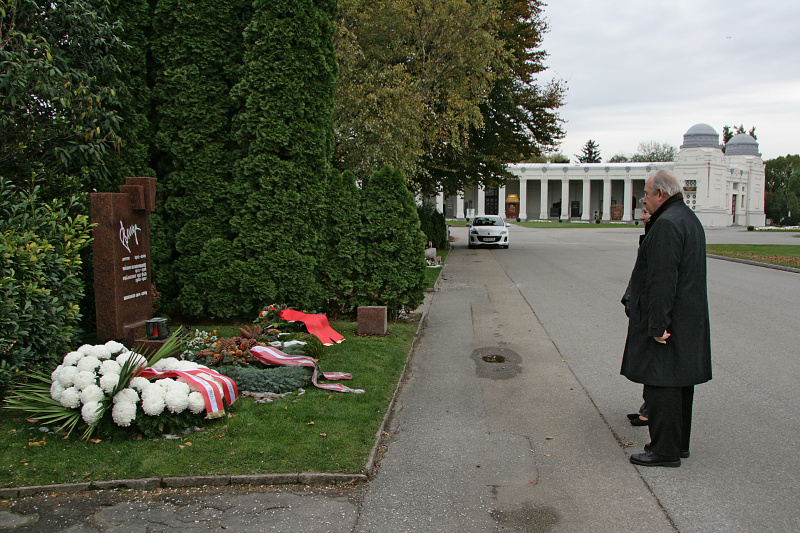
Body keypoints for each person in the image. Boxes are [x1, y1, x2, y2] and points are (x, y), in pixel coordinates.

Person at [621, 170, 712, 468]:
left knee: (662, 385)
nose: (644, 199)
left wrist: (657, 325)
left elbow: (662, 280)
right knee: (681, 384)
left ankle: (663, 450)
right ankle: (678, 445)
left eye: (647, 194)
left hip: (670, 322)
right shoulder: (688, 219)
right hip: (688, 320)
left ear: (660, 194)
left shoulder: (667, 225)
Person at [622, 204, 652, 427]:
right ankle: (647, 406)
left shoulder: (660, 235)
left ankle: (650, 410)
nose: (641, 216)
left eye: (645, 212)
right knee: (644, 361)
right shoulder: (650, 236)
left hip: (649, 312)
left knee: (651, 363)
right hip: (641, 308)